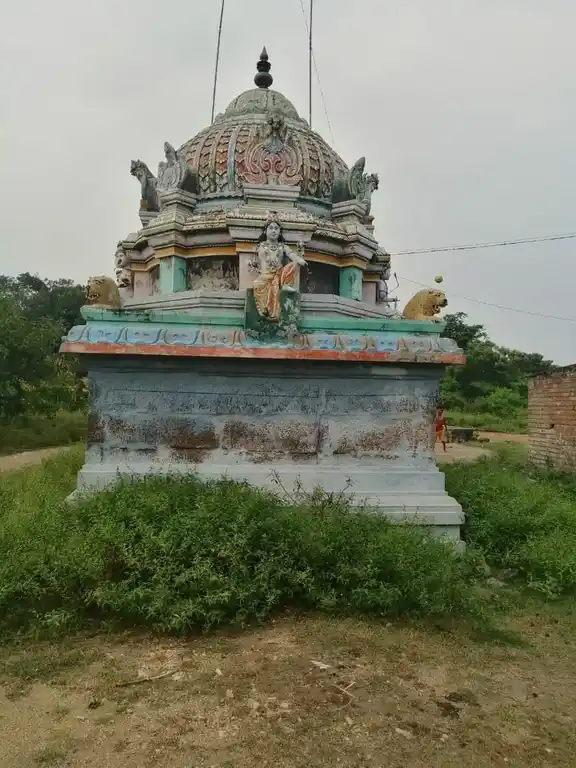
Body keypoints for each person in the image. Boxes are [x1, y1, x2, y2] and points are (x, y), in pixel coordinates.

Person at [251, 215, 307, 320]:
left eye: (276, 228)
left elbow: (291, 255)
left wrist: (299, 259)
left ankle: (286, 284)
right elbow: (254, 262)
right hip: (265, 276)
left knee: (294, 264)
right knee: (257, 284)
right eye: (270, 228)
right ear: (265, 231)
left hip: (280, 275)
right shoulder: (261, 246)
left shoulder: (282, 247)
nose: (273, 231)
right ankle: (265, 309)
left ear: (280, 232)